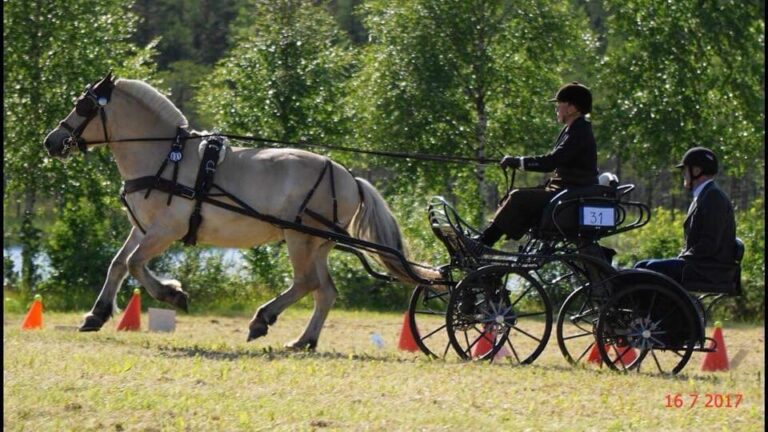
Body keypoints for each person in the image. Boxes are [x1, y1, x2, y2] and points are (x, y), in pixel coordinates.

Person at [471, 81, 598, 251]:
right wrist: (518, 162)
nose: (557, 109)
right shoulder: (574, 129)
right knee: (515, 195)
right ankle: (485, 241)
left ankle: (482, 244)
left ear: (572, 108)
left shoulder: (579, 132)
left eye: (560, 104)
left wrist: (519, 162)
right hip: (565, 191)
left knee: (518, 197)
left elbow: (551, 162)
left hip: (570, 194)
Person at [634, 147, 737, 288]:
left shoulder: (713, 197)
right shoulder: (704, 195)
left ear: (696, 171)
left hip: (709, 270)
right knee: (641, 266)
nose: (683, 174)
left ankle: (649, 309)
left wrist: (683, 258)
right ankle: (640, 307)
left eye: (685, 170)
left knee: (651, 268)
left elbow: (710, 243)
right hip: (700, 265)